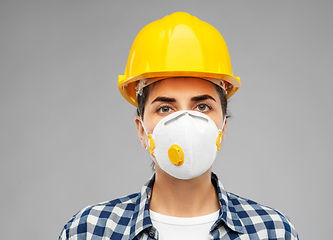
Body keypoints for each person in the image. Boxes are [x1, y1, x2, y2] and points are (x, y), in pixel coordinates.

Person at [58, 12, 298, 240]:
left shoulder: (272, 232)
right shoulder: (89, 231)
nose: (186, 122)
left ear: (222, 128)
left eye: (202, 107)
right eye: (165, 108)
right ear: (142, 131)